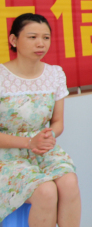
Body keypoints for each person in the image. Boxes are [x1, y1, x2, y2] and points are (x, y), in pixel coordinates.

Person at [0, 14, 81, 225]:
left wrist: (47, 137)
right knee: (45, 191)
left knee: (69, 183)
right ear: (13, 40)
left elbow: (58, 123)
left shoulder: (55, 74)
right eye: (32, 37)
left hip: (42, 150)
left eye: (46, 38)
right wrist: (29, 142)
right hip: (6, 156)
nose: (40, 43)